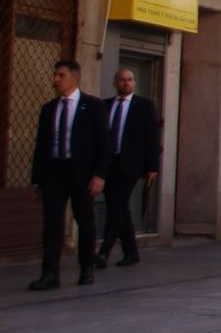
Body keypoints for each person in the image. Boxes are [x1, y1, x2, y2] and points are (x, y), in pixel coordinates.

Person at [29, 60, 109, 290]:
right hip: (55, 171)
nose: (56, 79)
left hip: (82, 173)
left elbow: (104, 144)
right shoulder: (49, 109)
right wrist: (37, 181)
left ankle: (86, 268)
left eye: (61, 75)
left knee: (85, 221)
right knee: (52, 223)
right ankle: (50, 274)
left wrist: (99, 175)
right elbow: (40, 147)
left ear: (75, 78)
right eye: (55, 75)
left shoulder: (92, 106)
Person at [96, 68, 159, 270]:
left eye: (130, 80)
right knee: (119, 207)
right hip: (108, 164)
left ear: (134, 83)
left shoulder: (144, 106)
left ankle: (104, 250)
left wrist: (152, 167)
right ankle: (131, 252)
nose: (126, 83)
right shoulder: (105, 106)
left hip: (130, 165)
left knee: (117, 205)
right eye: (122, 80)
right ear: (115, 83)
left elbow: (152, 137)